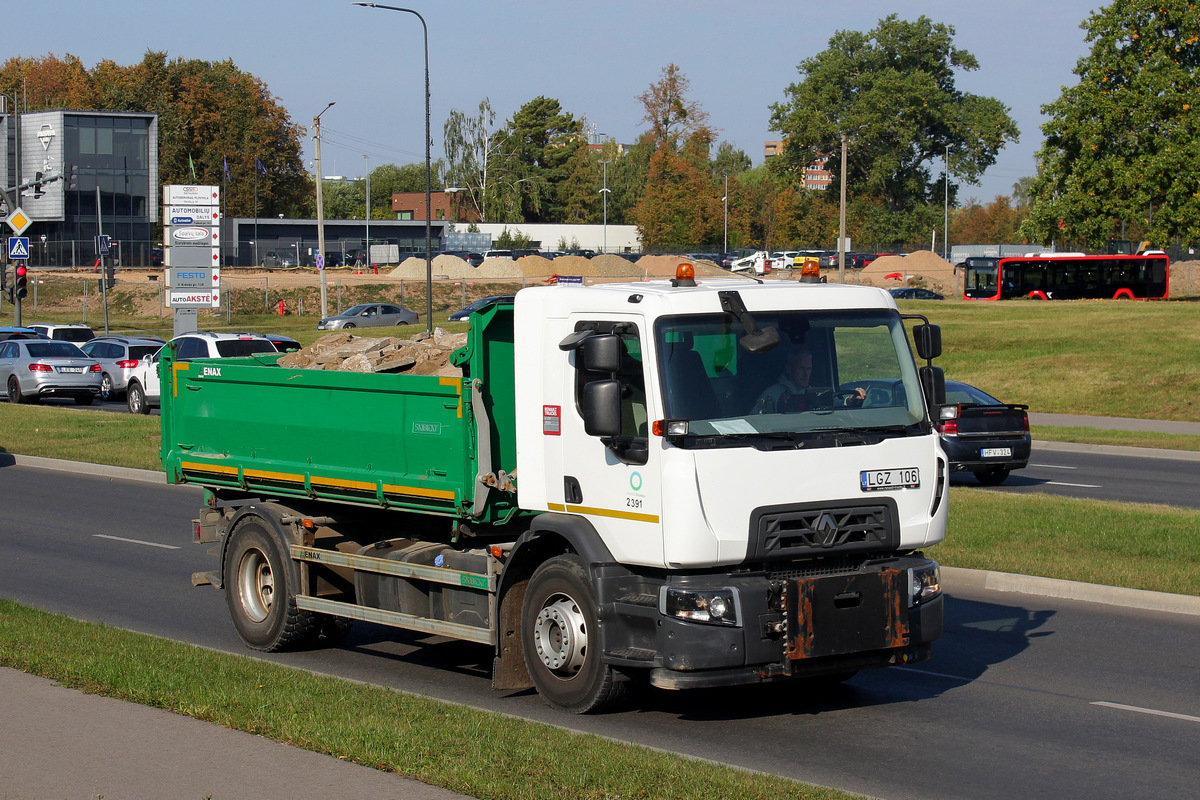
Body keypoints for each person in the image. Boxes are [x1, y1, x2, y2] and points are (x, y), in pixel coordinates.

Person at [755, 347, 864, 413]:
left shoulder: (814, 393)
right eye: (801, 369)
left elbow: (833, 405)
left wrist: (851, 400)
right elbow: (755, 420)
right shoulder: (773, 394)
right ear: (789, 369)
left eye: (809, 369)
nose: (806, 374)